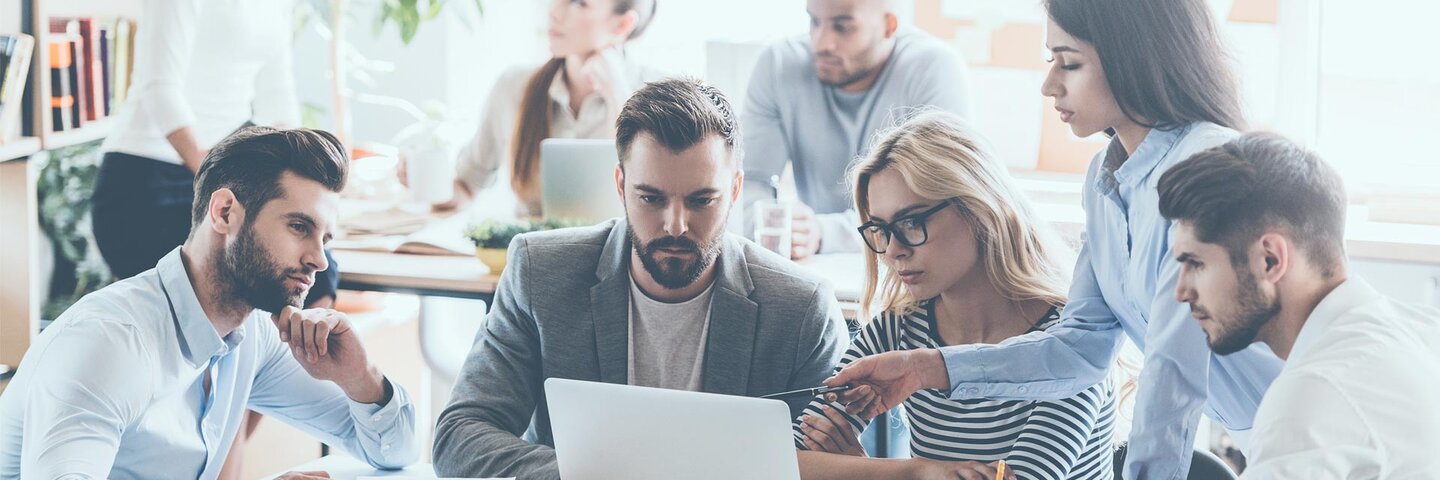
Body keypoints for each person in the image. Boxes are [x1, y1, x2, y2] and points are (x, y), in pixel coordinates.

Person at [824, 0, 1285, 477]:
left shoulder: (1203, 169)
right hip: (1270, 437)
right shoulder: (1107, 180)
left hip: (1312, 429)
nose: (1049, 85)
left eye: (1070, 63)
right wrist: (927, 368)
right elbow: (1079, 348)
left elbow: (1173, 380)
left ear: (1135, 58)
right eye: (1051, 61)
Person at [431, 78, 849, 480]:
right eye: (651, 198)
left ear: (735, 190)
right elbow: (460, 436)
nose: (676, 225)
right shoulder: (540, 273)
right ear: (621, 184)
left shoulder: (801, 309)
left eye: (701, 200)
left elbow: (828, 463)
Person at [0, 127, 419, 479]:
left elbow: (394, 453)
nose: (319, 259)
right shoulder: (107, 344)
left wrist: (362, 379)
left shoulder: (251, 334)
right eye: (298, 227)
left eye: (325, 239)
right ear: (223, 212)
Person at [793, 112, 1114, 480]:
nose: (893, 251)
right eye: (880, 230)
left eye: (912, 223)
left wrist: (862, 472)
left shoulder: (1073, 345)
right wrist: (916, 472)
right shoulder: (899, 329)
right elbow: (787, 461)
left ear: (978, 209)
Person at [1157, 132, 1440, 477]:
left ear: (1270, 260)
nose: (1181, 291)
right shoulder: (1421, 329)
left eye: (1196, 264)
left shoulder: (1313, 398)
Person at [742, 0, 971, 259]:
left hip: (906, 261)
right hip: (816, 262)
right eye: (814, 21)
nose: (821, 43)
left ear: (888, 26)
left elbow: (938, 202)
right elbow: (749, 183)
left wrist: (825, 232)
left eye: (843, 27)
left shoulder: (934, 67)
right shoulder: (777, 64)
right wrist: (781, 226)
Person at [420, 0, 663, 216]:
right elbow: (465, 188)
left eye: (579, 3)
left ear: (621, 25)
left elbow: (653, 204)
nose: (554, 11)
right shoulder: (513, 87)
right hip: (529, 260)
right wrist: (425, 181)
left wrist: (616, 94)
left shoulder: (661, 97)